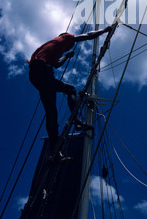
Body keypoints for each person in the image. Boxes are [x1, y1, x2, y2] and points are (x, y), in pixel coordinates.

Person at [28, 26, 111, 156]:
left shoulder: (50, 47)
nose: (69, 47)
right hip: (42, 71)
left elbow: (56, 64)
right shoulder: (64, 37)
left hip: (36, 75)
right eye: (69, 46)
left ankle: (54, 151)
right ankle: (77, 121)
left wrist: (66, 56)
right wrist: (105, 30)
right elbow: (87, 35)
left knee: (51, 113)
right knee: (71, 89)